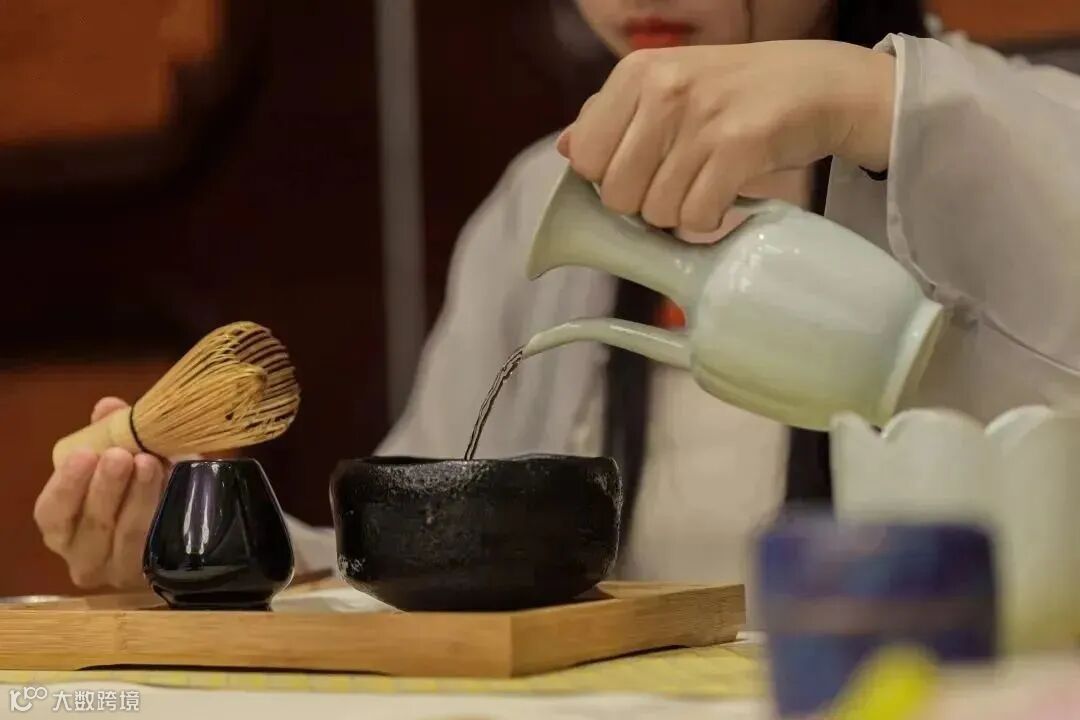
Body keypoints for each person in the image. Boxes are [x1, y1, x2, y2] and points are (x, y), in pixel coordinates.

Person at [34, 0, 1080, 591]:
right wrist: (200, 558)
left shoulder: (996, 131)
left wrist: (866, 96)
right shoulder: (547, 199)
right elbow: (425, 540)